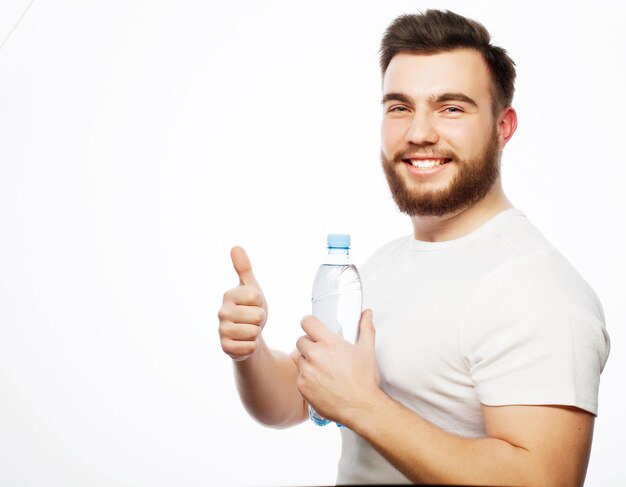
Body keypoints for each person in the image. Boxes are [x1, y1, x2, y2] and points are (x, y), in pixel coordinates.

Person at [217, 9, 610, 486]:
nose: (419, 133)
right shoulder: (383, 266)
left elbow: (542, 479)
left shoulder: (535, 288)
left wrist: (364, 406)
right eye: (400, 107)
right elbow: (297, 402)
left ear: (503, 128)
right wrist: (250, 351)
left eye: (451, 108)